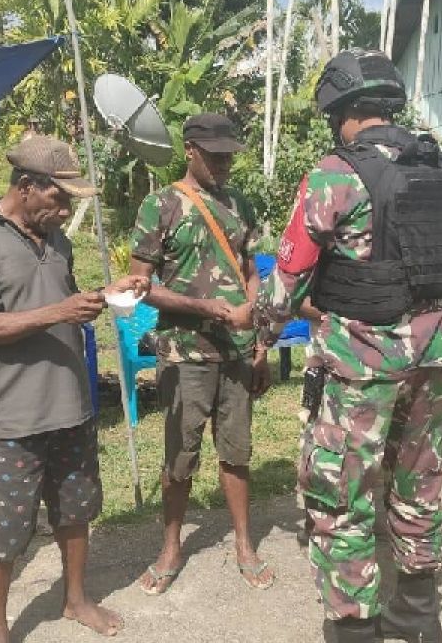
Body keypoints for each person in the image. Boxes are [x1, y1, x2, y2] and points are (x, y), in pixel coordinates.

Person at [247, 49, 442, 643]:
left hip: (361, 363)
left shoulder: (336, 173)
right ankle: (419, 616)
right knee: (418, 482)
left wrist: (262, 333)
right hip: (432, 354)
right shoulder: (439, 168)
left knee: (340, 495)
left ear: (341, 110)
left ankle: (354, 628)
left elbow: (288, 275)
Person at [0, 135, 146, 642]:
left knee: (76, 511)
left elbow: (59, 297)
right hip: (11, 414)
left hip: (71, 407)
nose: (65, 209)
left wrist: (105, 293)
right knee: (4, 530)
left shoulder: (57, 239)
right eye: (60, 197)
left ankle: (75, 599)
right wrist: (61, 311)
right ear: (27, 187)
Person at [130, 113, 274, 595]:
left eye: (230, 154)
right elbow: (140, 287)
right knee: (180, 456)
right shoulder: (161, 205)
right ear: (189, 150)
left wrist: (255, 330)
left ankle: (244, 543)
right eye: (215, 155)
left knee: (236, 454)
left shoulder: (241, 205)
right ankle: (171, 547)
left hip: (236, 351)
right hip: (185, 352)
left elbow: (254, 272)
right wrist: (203, 307)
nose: (225, 163)